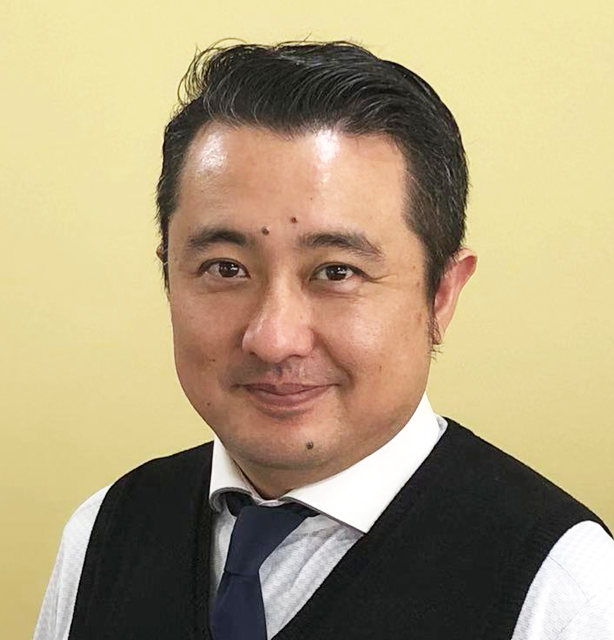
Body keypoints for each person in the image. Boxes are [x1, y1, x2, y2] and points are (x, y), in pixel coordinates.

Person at [33, 41, 614, 640]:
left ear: (441, 294)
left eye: (337, 271)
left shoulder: (564, 592)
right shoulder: (103, 533)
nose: (273, 338)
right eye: (226, 268)